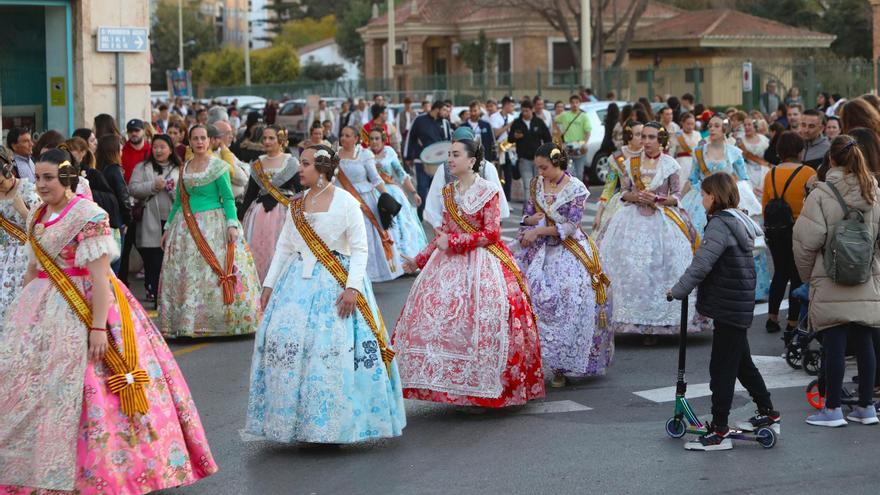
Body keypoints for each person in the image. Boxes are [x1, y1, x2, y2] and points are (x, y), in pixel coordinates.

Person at [0, 149, 217, 493]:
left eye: (49, 178)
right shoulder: (37, 215)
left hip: (86, 307)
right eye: (38, 177)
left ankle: (107, 471)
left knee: (92, 389)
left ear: (68, 178)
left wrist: (98, 327)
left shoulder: (89, 215)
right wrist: (19, 320)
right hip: (42, 309)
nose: (41, 185)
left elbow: (101, 279)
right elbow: (32, 269)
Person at [243, 143, 406, 444]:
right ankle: (298, 424)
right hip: (296, 283)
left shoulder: (346, 202)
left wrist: (352, 288)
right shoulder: (296, 204)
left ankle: (333, 424)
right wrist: (268, 284)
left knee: (329, 353)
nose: (299, 169)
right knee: (289, 348)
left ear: (321, 170)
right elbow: (284, 247)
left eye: (304, 164)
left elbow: (359, 249)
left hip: (337, 282)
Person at [393, 136, 545, 408]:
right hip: (449, 264)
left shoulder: (488, 190)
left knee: (492, 316)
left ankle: (489, 387)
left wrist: (453, 242)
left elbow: (491, 233)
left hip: (485, 262)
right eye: (449, 155)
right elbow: (444, 232)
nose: (450, 160)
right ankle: (457, 387)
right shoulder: (448, 192)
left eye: (455, 155)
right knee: (442, 322)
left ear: (472, 160)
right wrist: (418, 260)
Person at [670, 172, 780, 451]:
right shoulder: (736, 219)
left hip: (729, 304)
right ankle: (768, 411)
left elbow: (702, 263)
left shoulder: (719, 225)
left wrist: (678, 290)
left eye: (705, 194)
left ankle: (718, 429)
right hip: (736, 301)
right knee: (741, 362)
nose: (702, 199)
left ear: (714, 196)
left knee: (721, 368)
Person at [794, 135, 880, 427]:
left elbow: (806, 241)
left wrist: (809, 277)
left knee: (835, 342)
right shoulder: (873, 191)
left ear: (830, 159)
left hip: (829, 274)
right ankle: (866, 406)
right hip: (865, 274)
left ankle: (832, 409)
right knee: (865, 339)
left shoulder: (821, 193)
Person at [515, 143, 613, 387]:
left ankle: (565, 363)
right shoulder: (537, 184)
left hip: (568, 250)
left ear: (558, 163)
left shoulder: (576, 189)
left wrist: (539, 231)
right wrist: (529, 222)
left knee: (571, 300)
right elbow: (527, 213)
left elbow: (571, 226)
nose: (540, 172)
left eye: (544, 167)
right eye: (538, 167)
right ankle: (541, 361)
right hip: (539, 250)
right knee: (529, 299)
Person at [598, 122, 703, 343]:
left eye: (651, 137)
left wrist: (658, 199)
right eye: (643, 137)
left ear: (661, 140)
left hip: (662, 221)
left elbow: (676, 196)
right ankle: (632, 320)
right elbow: (624, 192)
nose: (645, 141)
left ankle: (656, 323)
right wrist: (637, 197)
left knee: (658, 268)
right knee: (631, 269)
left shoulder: (670, 164)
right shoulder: (630, 163)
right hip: (632, 219)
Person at [158, 124, 262, 338]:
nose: (199, 142)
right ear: (189, 141)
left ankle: (223, 322)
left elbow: (228, 198)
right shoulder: (185, 168)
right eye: (195, 138)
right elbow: (178, 202)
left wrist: (232, 223)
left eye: (203, 138)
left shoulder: (219, 167)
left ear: (210, 140)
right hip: (185, 227)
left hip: (214, 224)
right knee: (189, 274)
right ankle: (189, 322)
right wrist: (168, 227)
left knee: (212, 274)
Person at [761, 131, 816, 334]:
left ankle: (771, 318)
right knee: (797, 276)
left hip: (775, 231)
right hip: (798, 230)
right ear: (800, 150)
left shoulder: (771, 173)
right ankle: (793, 322)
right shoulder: (808, 173)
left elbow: (765, 204)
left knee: (780, 273)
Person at [337, 126, 403, 282]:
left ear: (356, 138)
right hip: (342, 200)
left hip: (365, 201)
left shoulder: (364, 154)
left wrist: (385, 195)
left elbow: (375, 178)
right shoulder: (335, 155)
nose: (343, 138)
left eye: (348, 135)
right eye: (342, 135)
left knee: (366, 236)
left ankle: (370, 273)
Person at [240, 125, 300, 283]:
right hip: (258, 215)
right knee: (259, 250)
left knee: (279, 250)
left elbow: (300, 191)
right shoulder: (257, 164)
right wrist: (238, 218)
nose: (267, 141)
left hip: (283, 214)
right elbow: (250, 195)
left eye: (271, 138)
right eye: (265, 138)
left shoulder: (291, 163)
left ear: (281, 140)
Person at [681, 115, 759, 236]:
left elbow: (743, 178)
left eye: (716, 126)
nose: (712, 129)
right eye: (710, 126)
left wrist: (749, 196)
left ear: (725, 129)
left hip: (725, 198)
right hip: (702, 198)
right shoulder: (699, 151)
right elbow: (692, 179)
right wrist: (679, 201)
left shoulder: (734, 152)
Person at [129, 134, 181, 305]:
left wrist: (172, 190)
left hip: (171, 220)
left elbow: (184, 195)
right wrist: (153, 186)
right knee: (153, 258)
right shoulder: (142, 167)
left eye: (162, 147)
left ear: (170, 150)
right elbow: (133, 188)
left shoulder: (178, 169)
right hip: (150, 219)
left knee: (170, 258)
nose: (158, 150)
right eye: (156, 147)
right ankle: (153, 289)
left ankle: (167, 294)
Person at [423, 127, 510, 229]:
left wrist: (496, 223)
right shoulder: (443, 169)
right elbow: (434, 201)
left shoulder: (487, 168)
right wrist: (437, 225)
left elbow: (498, 202)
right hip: (451, 233)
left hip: (480, 232)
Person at [368, 128, 427, 260]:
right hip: (372, 194)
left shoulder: (389, 152)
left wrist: (414, 192)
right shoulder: (365, 154)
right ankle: (385, 261)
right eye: (371, 138)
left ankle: (403, 258)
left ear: (383, 140)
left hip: (391, 193)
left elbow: (401, 174)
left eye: (377, 138)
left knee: (401, 225)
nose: (374, 141)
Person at [0, 148, 38, 308]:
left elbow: (42, 228)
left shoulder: (27, 190)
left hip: (23, 256)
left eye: (0, 182)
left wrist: (23, 210)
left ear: (8, 170)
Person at [593, 120, 643, 236]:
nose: (642, 138)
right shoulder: (616, 158)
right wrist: (599, 214)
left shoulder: (649, 155)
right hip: (622, 204)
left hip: (645, 203)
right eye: (638, 134)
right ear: (628, 136)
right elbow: (608, 188)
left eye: (643, 134)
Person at [403, 101, 452, 215]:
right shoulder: (419, 120)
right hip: (422, 161)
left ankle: (439, 216)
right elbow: (410, 137)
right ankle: (420, 215)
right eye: (444, 110)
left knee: (439, 190)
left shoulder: (445, 123)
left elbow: (448, 143)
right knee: (422, 189)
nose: (446, 113)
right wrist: (408, 156)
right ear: (437, 109)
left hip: (439, 163)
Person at [95, 134, 131, 276]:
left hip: (102, 219)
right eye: (120, 148)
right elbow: (124, 198)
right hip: (116, 221)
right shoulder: (114, 170)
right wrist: (128, 220)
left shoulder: (97, 169)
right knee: (115, 264)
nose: (122, 151)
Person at [509, 99, 552, 202]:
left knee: (538, 185)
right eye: (523, 111)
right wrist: (515, 136)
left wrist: (546, 153)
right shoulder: (517, 123)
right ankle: (528, 210)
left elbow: (547, 138)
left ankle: (539, 208)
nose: (525, 113)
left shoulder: (538, 122)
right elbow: (510, 139)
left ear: (532, 110)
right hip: (524, 159)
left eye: (527, 111)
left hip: (538, 159)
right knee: (528, 185)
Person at [555, 94, 592, 183]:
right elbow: (554, 121)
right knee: (566, 172)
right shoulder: (564, 115)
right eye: (572, 103)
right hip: (567, 147)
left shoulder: (584, 116)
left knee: (579, 173)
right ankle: (568, 193)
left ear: (580, 104)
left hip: (579, 147)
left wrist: (585, 143)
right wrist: (559, 137)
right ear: (570, 104)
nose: (575, 104)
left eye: (577, 102)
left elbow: (588, 131)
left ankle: (579, 193)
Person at [489, 96, 518, 199]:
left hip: (509, 149)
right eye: (511, 105)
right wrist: (509, 125)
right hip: (498, 149)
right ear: (506, 105)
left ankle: (507, 198)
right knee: (498, 174)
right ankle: (497, 198)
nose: (513, 107)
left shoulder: (512, 117)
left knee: (508, 175)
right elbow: (496, 133)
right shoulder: (494, 117)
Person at [674, 112, 702, 184]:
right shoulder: (677, 134)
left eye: (692, 124)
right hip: (681, 163)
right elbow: (672, 151)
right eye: (688, 124)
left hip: (695, 162)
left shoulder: (697, 134)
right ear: (682, 123)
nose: (690, 126)